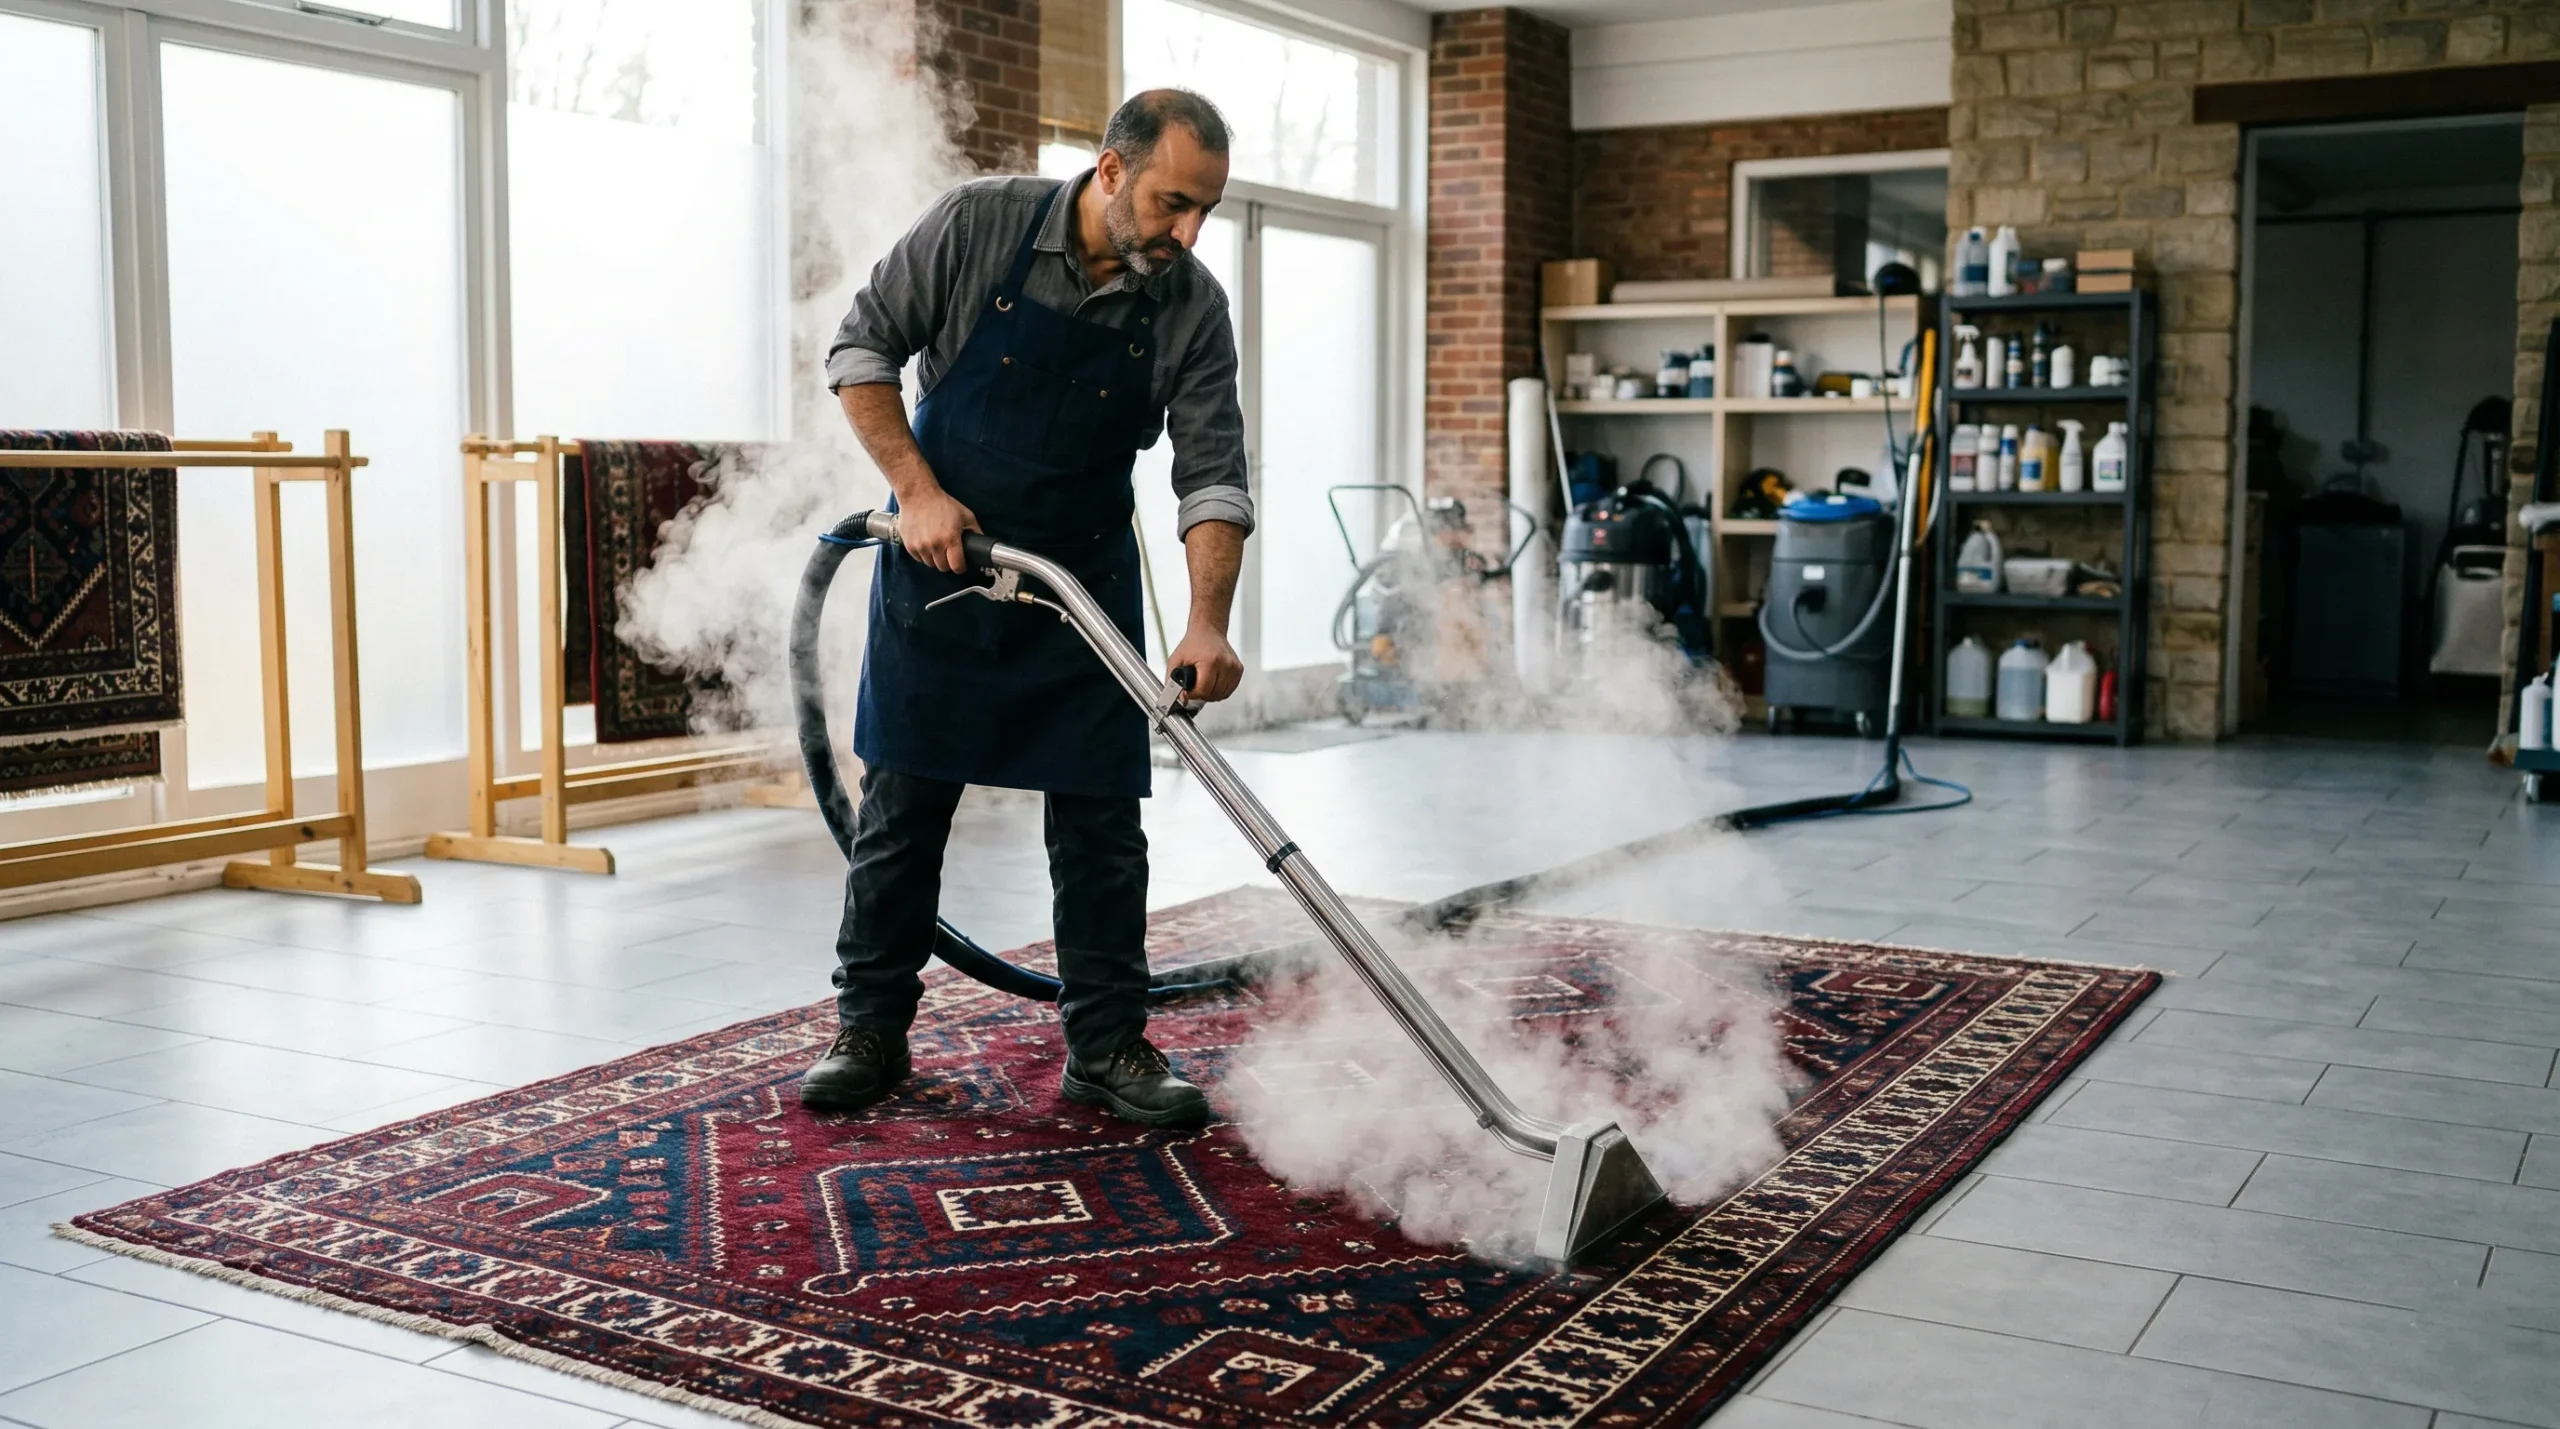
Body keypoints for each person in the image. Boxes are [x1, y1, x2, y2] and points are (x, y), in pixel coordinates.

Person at [802, 89, 1249, 1128]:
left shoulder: (1191, 305)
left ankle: (1107, 1045)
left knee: (1101, 825)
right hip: (943, 565)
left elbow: (1213, 475)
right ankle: (869, 1028)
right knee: (903, 812)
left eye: (1206, 211)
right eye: (1174, 203)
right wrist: (915, 492)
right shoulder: (979, 225)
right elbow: (860, 351)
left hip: (1078, 586)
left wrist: (1207, 621)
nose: (1188, 234)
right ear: (1110, 171)